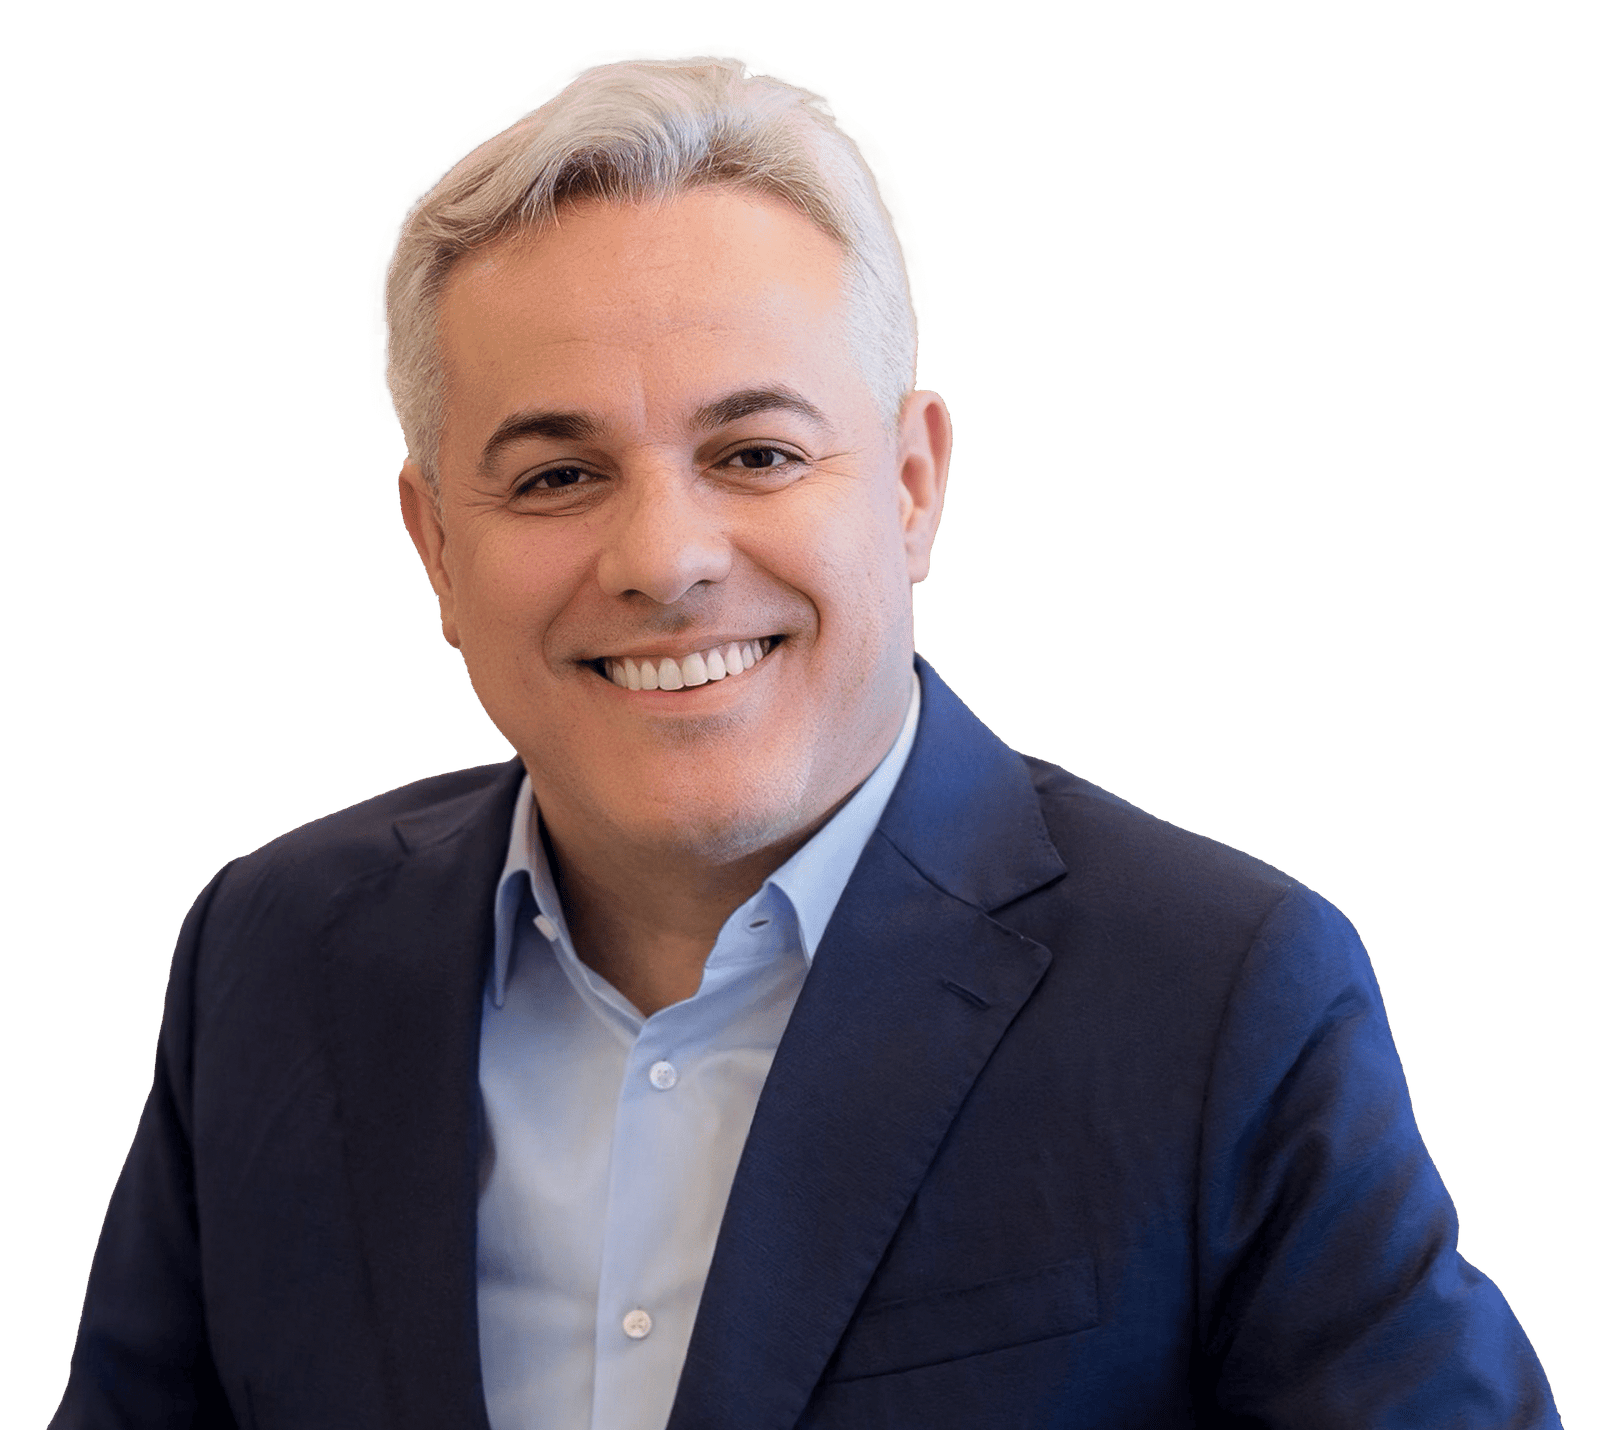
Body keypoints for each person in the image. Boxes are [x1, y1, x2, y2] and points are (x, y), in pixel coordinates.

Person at [53, 47, 1561, 1430]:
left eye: (757, 452)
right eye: (560, 474)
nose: (664, 558)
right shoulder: (268, 958)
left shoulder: (1223, 995)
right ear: (436, 546)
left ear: (911, 486)